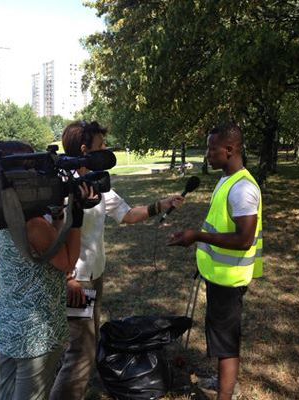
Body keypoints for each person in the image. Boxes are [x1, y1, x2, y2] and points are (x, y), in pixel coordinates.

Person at [50, 121, 184, 400]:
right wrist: (69, 278)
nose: (106, 151)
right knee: (82, 351)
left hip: (95, 276)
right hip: (77, 280)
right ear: (85, 150)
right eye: (101, 146)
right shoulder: (62, 188)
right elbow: (54, 238)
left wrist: (161, 204)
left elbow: (128, 214)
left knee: (87, 341)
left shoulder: (98, 183)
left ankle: (76, 383)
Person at [0, 140, 90, 400]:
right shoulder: (33, 224)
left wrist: (56, 214)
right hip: (35, 332)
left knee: (5, 393)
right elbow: (67, 261)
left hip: (8, 324)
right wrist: (75, 219)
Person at [168, 123, 263, 400]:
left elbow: (244, 239)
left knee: (226, 343)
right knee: (220, 338)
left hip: (229, 278)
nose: (207, 154)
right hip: (219, 275)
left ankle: (224, 395)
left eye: (212, 148)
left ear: (230, 149)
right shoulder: (227, 179)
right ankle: (222, 383)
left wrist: (197, 235)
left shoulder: (243, 189)